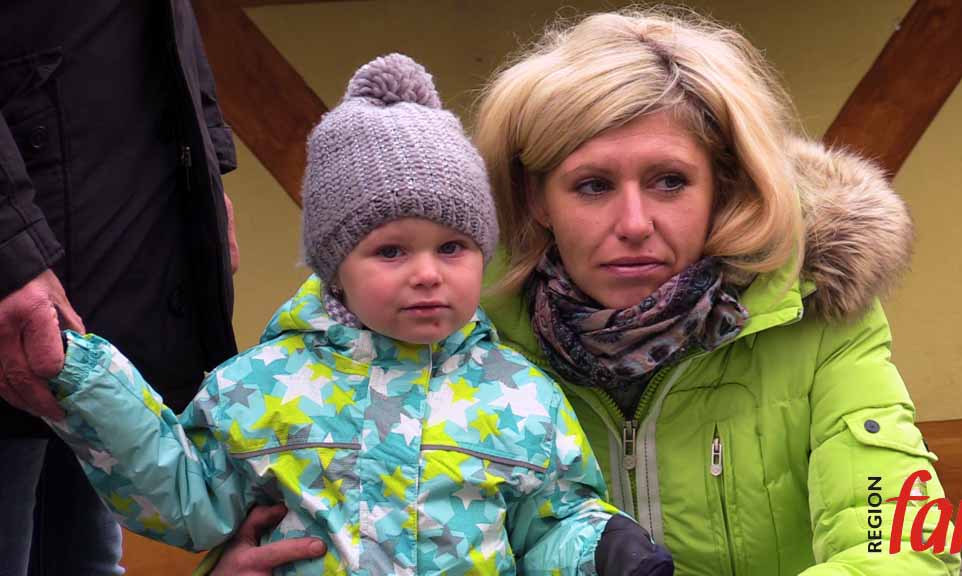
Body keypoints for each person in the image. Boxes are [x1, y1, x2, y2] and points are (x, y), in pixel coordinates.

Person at [198, 8, 962, 576]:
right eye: (593, 185)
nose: (634, 224)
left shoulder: (816, 313)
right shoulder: (452, 339)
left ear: (721, 186)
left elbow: (901, 538)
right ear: (535, 198)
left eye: (669, 181)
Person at [43, 54, 674, 576]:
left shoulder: (524, 395)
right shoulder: (258, 386)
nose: (427, 273)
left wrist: (600, 549)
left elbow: (550, 525)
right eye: (391, 251)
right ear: (335, 267)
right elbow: (187, 498)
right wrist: (89, 382)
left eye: (452, 247)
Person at [0, 2, 238, 574]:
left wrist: (207, 170)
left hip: (105, 288)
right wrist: (7, 252)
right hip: (21, 289)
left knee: (84, 556)